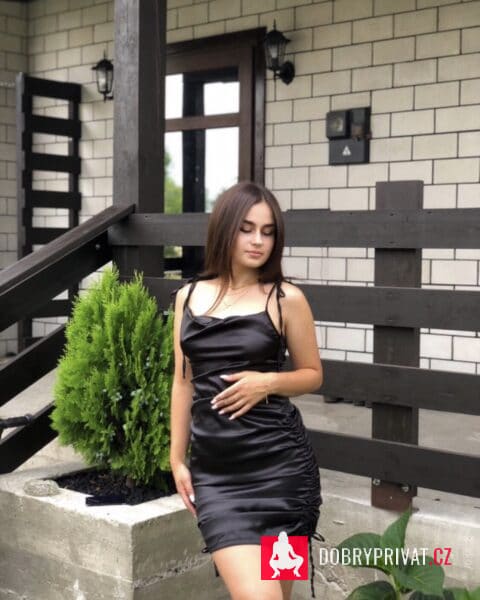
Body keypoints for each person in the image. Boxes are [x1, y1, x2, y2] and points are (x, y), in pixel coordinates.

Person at [169, 181, 324, 600]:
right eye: (247, 229)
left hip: (283, 473)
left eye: (268, 232)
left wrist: (268, 382)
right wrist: (176, 458)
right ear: (225, 229)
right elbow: (183, 381)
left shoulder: (286, 299)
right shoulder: (188, 297)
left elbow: (313, 374)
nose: (258, 241)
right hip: (218, 477)